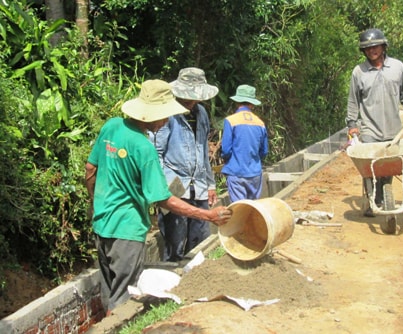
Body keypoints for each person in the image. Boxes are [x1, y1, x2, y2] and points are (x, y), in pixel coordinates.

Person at [85, 79, 231, 314]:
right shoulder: (145, 149)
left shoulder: (111, 127)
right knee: (123, 300)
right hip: (127, 230)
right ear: (150, 115)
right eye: (164, 116)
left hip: (102, 224)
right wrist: (207, 215)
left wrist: (95, 203)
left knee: (109, 290)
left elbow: (90, 169)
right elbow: (163, 199)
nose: (165, 122)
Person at [345, 28, 403, 217]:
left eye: (375, 46)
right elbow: (353, 101)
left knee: (389, 166)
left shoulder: (397, 67)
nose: (372, 51)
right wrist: (352, 124)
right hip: (369, 129)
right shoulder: (359, 72)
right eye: (367, 49)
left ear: (383, 46)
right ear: (364, 51)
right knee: (371, 167)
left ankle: (385, 195)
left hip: (394, 128)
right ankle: (371, 199)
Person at [150, 67, 219, 262]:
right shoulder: (169, 115)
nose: (190, 101)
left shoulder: (201, 113)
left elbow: (203, 150)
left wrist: (210, 184)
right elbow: (157, 152)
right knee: (175, 245)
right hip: (175, 188)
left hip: (199, 188)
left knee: (200, 243)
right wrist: (162, 187)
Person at [221, 84, 268, 202]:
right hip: (255, 173)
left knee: (240, 208)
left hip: (236, 172)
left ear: (237, 102)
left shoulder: (231, 120)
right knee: (253, 208)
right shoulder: (260, 123)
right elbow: (264, 151)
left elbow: (226, 150)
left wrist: (227, 160)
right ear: (252, 104)